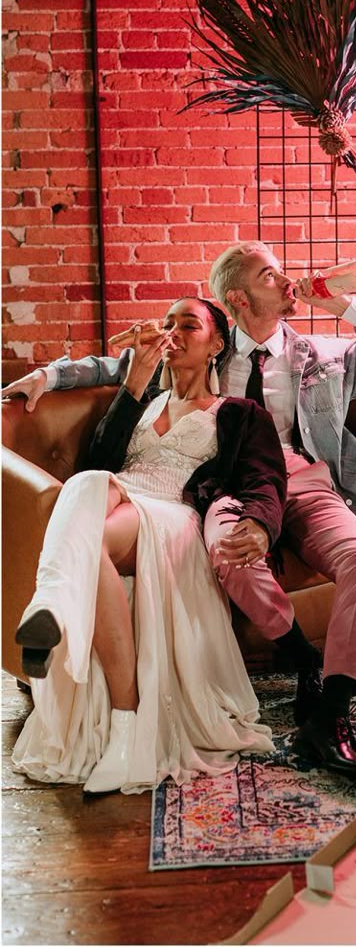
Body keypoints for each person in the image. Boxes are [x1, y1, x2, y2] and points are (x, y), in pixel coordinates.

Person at [3, 243, 356, 782]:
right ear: (238, 297)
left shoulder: (322, 355)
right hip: (224, 487)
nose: (289, 279)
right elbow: (119, 364)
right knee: (230, 559)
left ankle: (333, 710)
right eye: (271, 274)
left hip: (304, 480)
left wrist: (341, 305)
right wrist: (50, 376)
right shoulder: (207, 351)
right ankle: (302, 659)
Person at [11, 296, 286, 795]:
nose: (173, 332)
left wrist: (262, 526)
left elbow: (265, 481)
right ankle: (122, 721)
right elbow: (100, 459)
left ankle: (55, 609)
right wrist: (135, 382)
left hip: (172, 514)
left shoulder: (239, 413)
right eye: (167, 324)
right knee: (90, 485)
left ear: (216, 345)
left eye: (189, 324)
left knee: (90, 496)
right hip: (117, 500)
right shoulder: (144, 400)